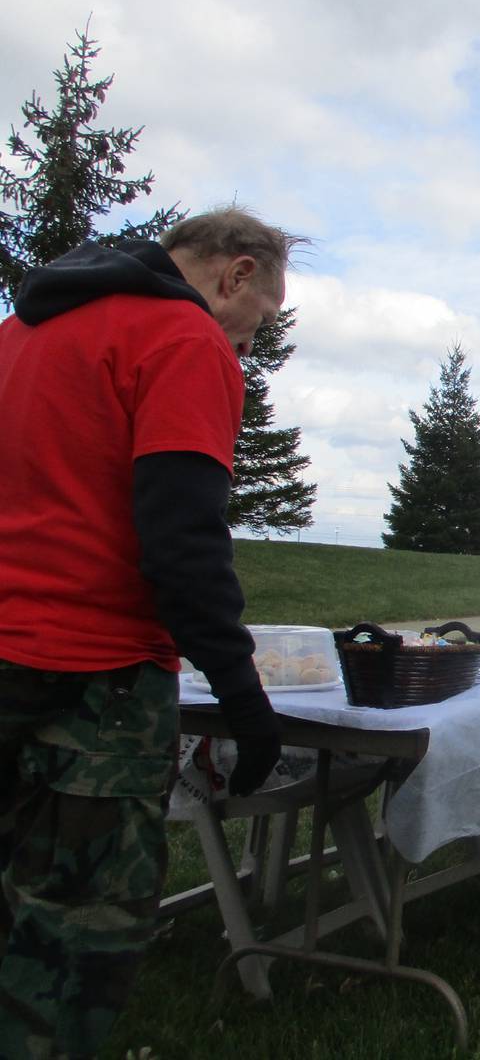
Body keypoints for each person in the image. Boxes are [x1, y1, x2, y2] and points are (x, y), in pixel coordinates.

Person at [0, 207, 305, 1057]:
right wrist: (243, 698)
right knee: (77, 931)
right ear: (235, 274)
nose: (250, 345)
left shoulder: (19, 333)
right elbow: (181, 540)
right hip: (91, 674)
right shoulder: (184, 340)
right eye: (262, 323)